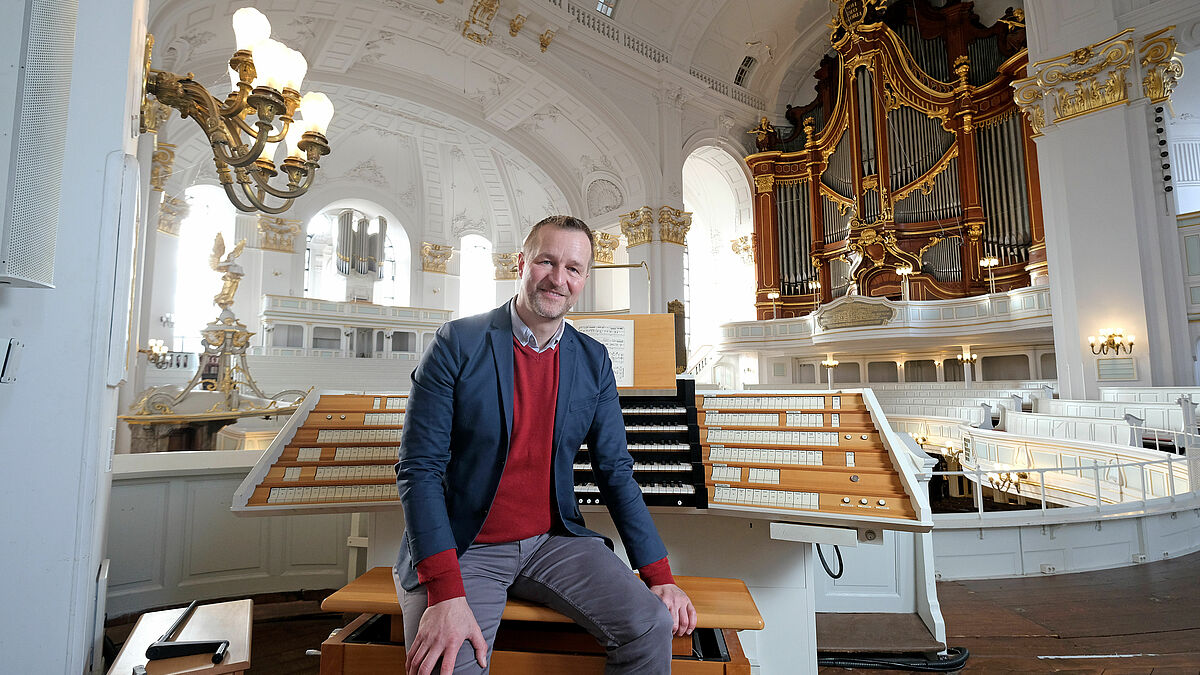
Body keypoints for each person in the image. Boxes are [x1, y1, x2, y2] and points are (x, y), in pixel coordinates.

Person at [394, 215, 696, 674]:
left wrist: (660, 577)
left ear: (584, 279)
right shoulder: (457, 343)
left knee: (648, 623)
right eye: (546, 262)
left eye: (573, 268)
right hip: (465, 546)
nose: (558, 279)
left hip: (552, 541)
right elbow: (419, 470)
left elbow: (615, 470)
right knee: (450, 664)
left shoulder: (593, 359)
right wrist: (445, 591)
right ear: (521, 263)